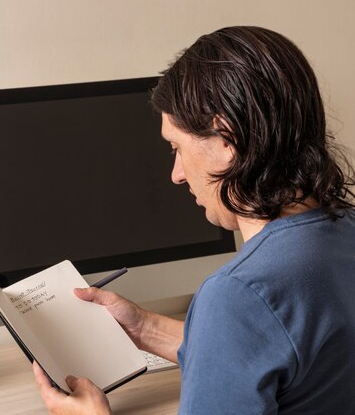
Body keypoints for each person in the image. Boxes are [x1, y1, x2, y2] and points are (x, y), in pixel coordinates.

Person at [33, 26, 355, 415]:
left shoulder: (239, 293)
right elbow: (284, 348)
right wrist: (146, 329)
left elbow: (255, 324)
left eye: (177, 147)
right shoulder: (346, 232)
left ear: (226, 139)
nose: (177, 173)